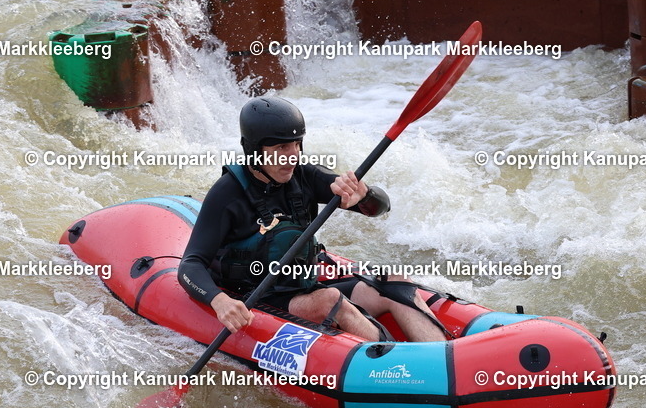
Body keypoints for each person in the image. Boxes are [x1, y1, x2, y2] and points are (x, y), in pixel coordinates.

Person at [178, 96, 446, 343]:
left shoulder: (304, 177)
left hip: (302, 284)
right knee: (329, 300)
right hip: (256, 297)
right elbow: (190, 265)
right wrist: (219, 301)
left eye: (297, 144)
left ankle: (439, 356)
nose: (293, 155)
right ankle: (399, 366)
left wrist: (363, 195)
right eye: (282, 146)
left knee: (394, 281)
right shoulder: (227, 193)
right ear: (254, 150)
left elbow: (380, 208)